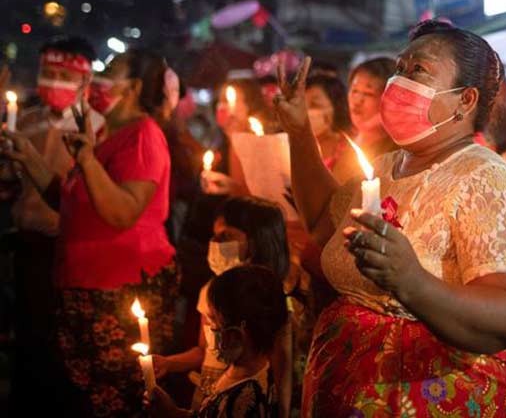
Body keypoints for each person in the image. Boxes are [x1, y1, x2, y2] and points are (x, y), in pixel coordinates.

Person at [274, 20, 506, 415]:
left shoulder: (489, 181)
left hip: (442, 395)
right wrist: (299, 133)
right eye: (399, 68)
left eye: (418, 70)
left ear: (465, 100)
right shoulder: (387, 167)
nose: (398, 82)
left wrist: (412, 281)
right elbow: (323, 222)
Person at [3, 48, 177, 417]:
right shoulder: (101, 131)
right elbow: (73, 204)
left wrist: (87, 162)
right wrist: (28, 158)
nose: (98, 78)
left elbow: (121, 212)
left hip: (117, 294)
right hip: (82, 289)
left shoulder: (143, 137)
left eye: (110, 71)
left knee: (111, 400)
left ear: (133, 87)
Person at [8, 37, 105, 413]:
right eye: (47, 73)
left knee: (62, 342)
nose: (53, 81)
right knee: (27, 337)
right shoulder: (25, 121)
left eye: (64, 75)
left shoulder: (96, 129)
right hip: (28, 244)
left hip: (69, 248)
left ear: (84, 80)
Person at [153, 196, 293, 415]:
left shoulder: (272, 299)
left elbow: (282, 360)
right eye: (214, 235)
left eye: (226, 236)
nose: (215, 244)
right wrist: (169, 363)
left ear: (257, 241)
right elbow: (203, 349)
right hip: (212, 395)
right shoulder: (210, 290)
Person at [147, 265, 288, 418]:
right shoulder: (246, 371)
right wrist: (174, 413)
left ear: (236, 335)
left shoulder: (243, 402)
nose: (209, 328)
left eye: (213, 320)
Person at [201, 77, 269, 197]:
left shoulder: (261, 145)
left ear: (250, 106)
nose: (221, 106)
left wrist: (234, 188)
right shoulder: (220, 145)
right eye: (220, 101)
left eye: (228, 100)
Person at [304, 73, 356, 182]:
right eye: (302, 106)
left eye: (314, 104)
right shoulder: (294, 147)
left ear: (336, 106)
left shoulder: (352, 147)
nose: (306, 112)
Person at [347, 57, 398, 160]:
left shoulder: (397, 153)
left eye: (369, 94)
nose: (357, 101)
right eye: (354, 90)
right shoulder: (343, 140)